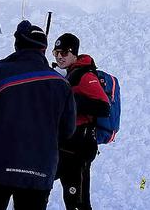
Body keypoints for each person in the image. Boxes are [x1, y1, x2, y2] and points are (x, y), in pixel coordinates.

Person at [0, 21, 76, 210]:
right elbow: (68, 129)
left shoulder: (0, 73)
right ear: (44, 48)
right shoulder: (62, 84)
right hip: (39, 168)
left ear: (18, 44)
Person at [52, 34, 110, 210]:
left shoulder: (85, 75)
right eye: (56, 52)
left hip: (80, 148)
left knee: (78, 201)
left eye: (63, 52)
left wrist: (71, 101)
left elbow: (103, 106)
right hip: (68, 146)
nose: (59, 56)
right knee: (72, 198)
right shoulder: (70, 74)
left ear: (74, 53)